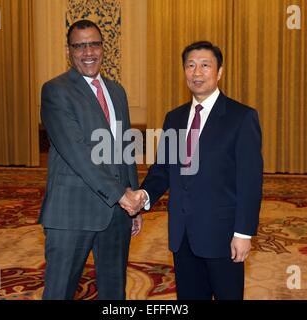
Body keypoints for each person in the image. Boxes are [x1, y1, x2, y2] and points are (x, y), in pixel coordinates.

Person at [130, 41, 263, 300]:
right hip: (183, 236)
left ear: (219, 72)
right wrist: (143, 197)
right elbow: (163, 170)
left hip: (224, 236)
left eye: (205, 65)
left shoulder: (241, 117)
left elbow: (250, 181)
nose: (197, 72)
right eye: (190, 66)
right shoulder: (175, 118)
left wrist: (243, 233)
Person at [39, 19, 145, 300]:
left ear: (103, 48)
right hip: (71, 213)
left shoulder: (117, 91)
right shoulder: (56, 90)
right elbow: (77, 152)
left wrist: (133, 202)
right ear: (69, 51)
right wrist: (120, 194)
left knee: (114, 293)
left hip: (117, 214)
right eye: (80, 45)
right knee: (59, 292)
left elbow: (125, 149)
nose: (88, 52)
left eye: (94, 44)